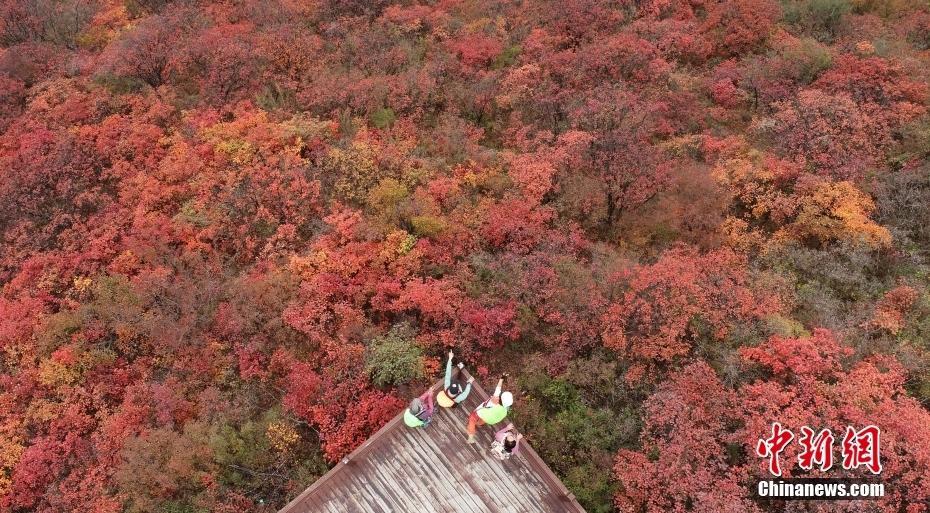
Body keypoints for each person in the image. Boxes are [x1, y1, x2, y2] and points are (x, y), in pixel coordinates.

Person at [466, 376, 513, 443]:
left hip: (480, 413)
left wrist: (501, 379)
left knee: (472, 419)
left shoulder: (495, 399)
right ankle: (478, 423)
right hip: (489, 420)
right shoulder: (505, 410)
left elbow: (498, 388)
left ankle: (470, 437)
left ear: (501, 398)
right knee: (480, 421)